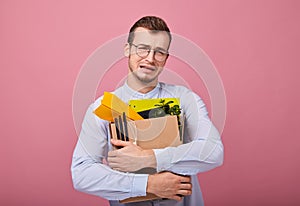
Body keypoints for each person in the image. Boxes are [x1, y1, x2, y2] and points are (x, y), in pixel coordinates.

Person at [71, 16, 224, 206]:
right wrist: (148, 184)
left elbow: (213, 151)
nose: (150, 58)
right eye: (142, 48)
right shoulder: (101, 108)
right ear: (127, 49)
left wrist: (150, 159)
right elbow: (81, 173)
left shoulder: (186, 99)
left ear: (166, 58)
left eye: (159, 52)